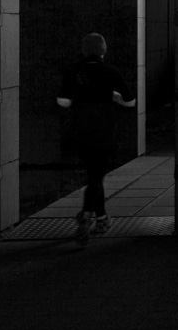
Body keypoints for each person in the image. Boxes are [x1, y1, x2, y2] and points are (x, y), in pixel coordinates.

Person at [57, 33, 136, 246]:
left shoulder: (73, 70)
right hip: (103, 128)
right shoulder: (110, 71)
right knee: (96, 175)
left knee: (94, 174)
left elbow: (63, 102)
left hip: (79, 128)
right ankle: (87, 214)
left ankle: (102, 219)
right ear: (104, 50)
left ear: (84, 50)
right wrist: (112, 96)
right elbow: (130, 101)